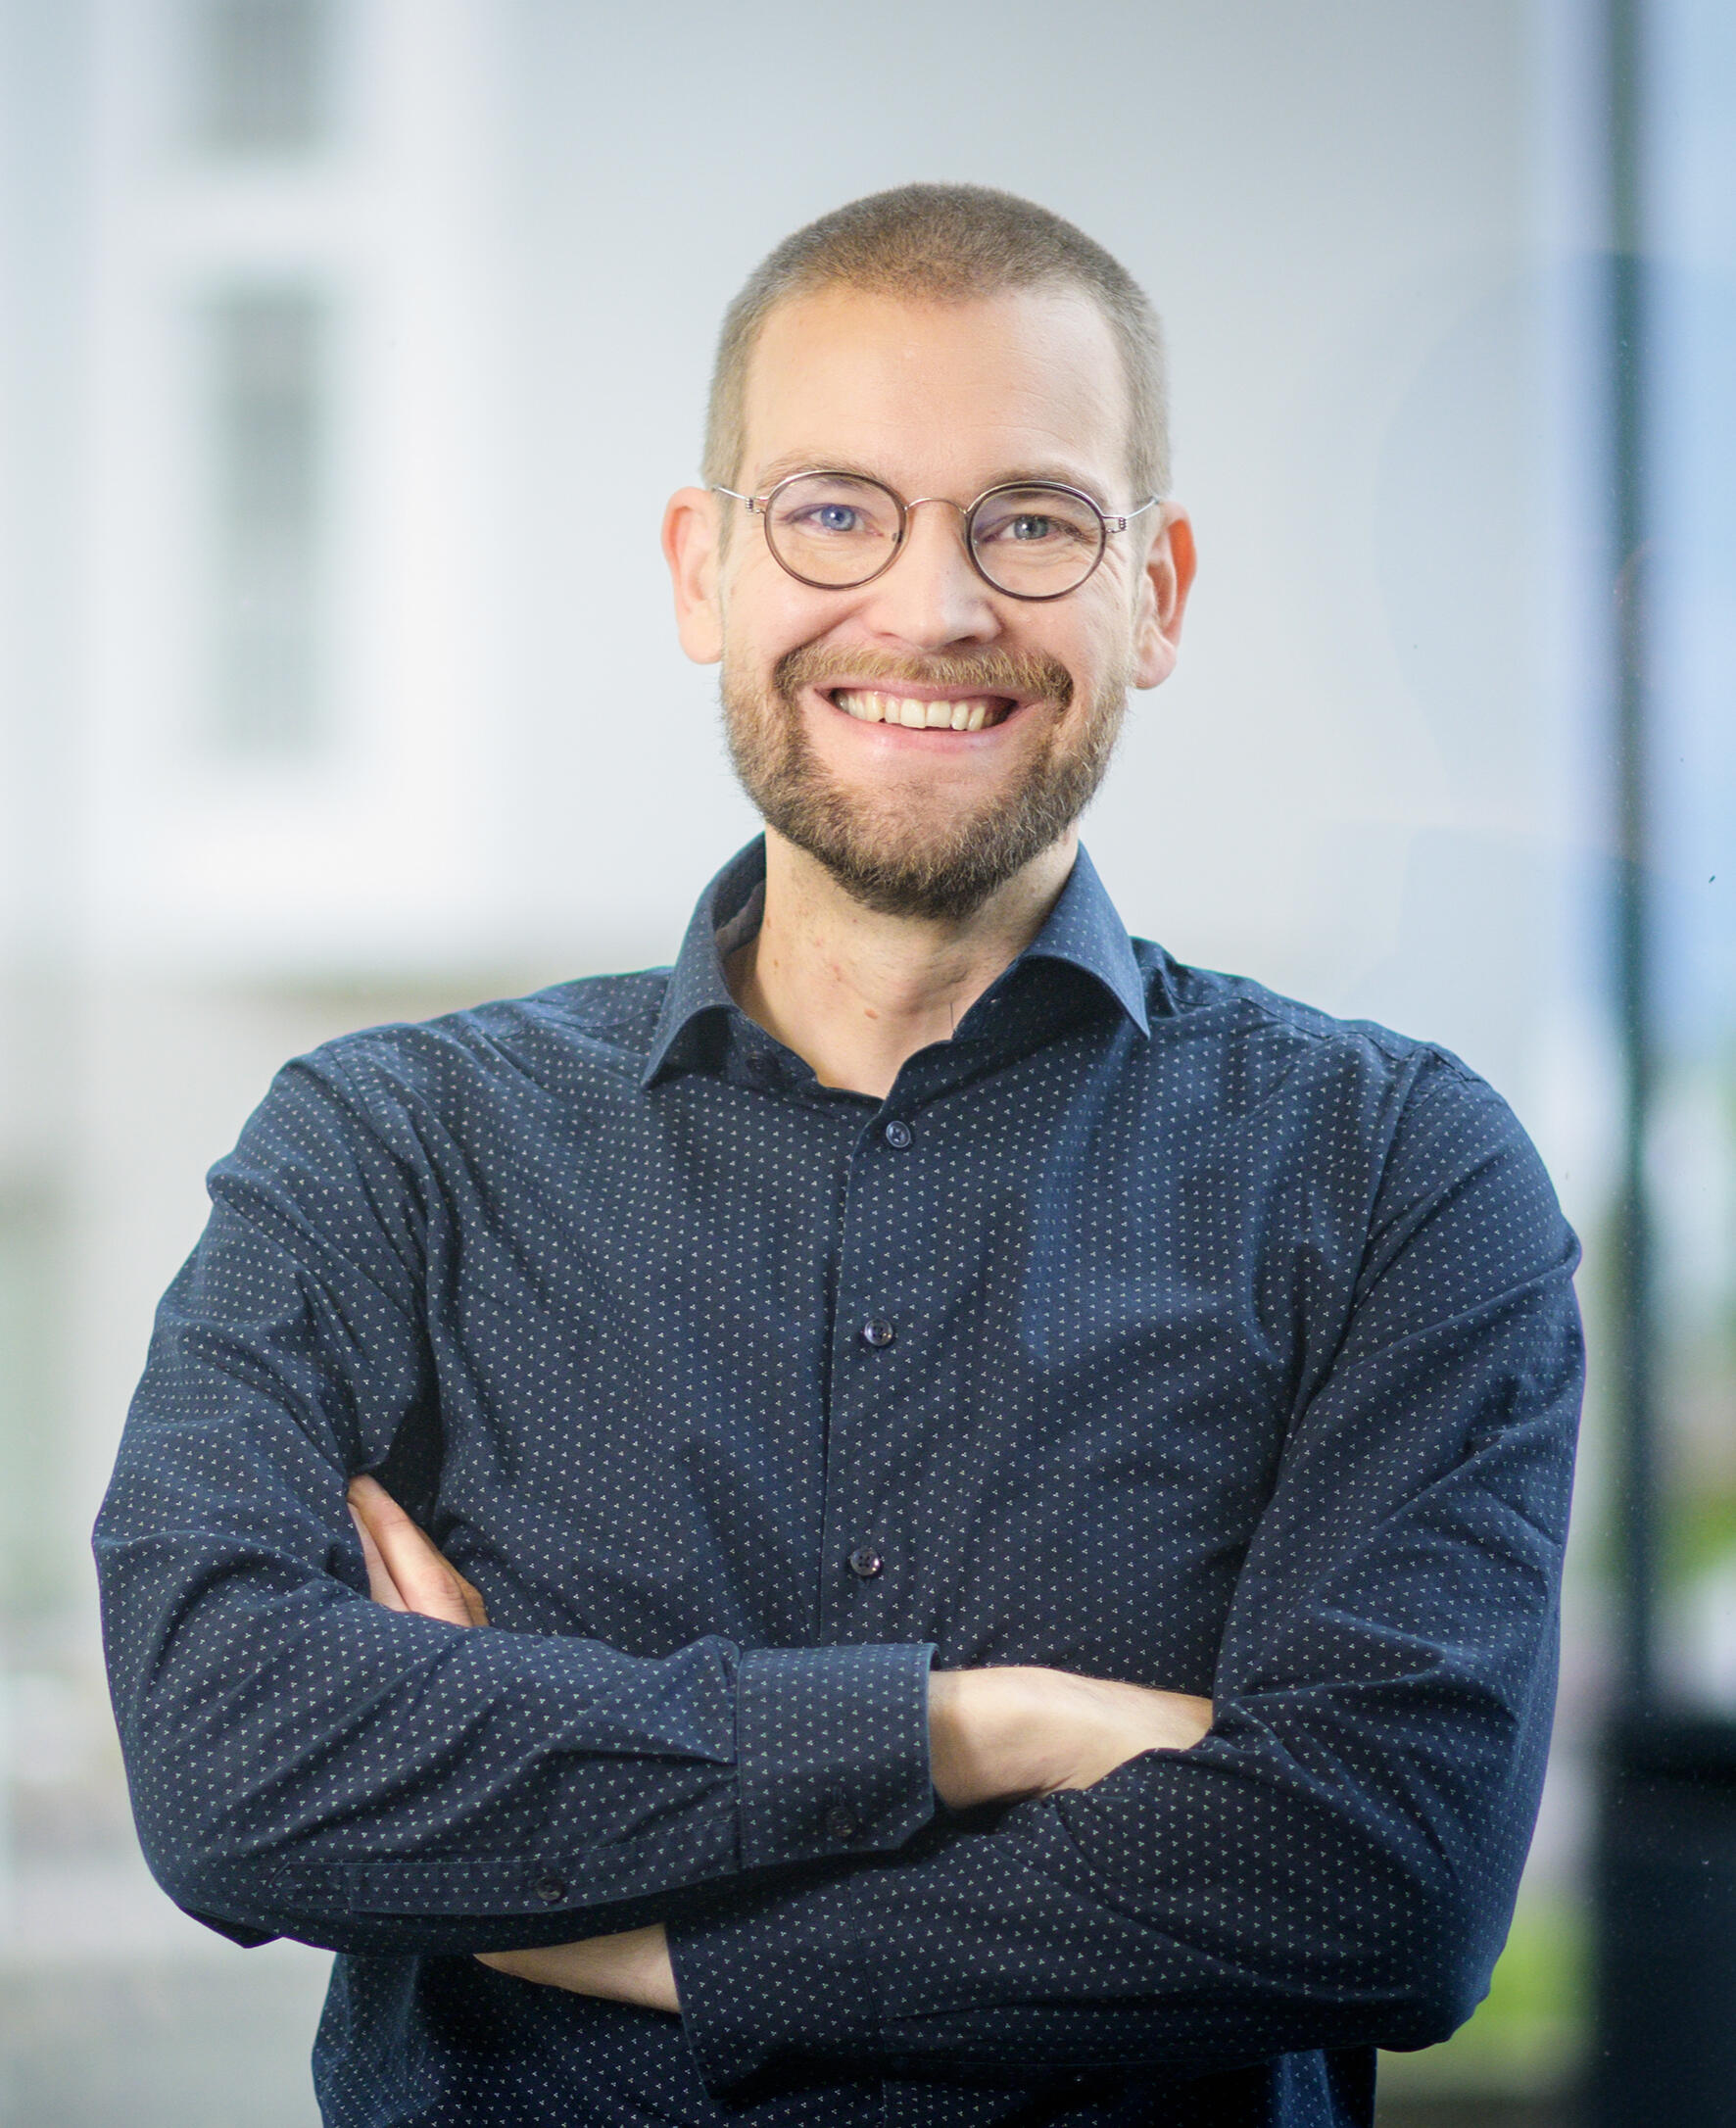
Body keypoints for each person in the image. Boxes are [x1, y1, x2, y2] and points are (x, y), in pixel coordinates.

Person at [94, 184, 1582, 2128]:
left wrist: (636, 1934)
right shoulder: (392, 1154)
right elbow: (233, 1761)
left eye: (1031, 520)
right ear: (702, 569)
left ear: (1158, 590)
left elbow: (1374, 1885)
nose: (932, 604)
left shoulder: (1394, 1174)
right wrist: (974, 1733)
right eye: (832, 511)